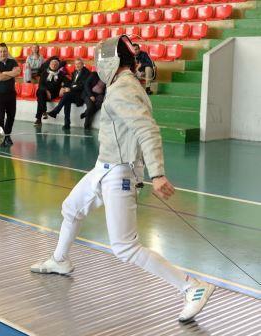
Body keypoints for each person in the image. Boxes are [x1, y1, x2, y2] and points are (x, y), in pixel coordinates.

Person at [30, 36, 215, 323]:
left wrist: (158, 173)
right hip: (104, 168)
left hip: (120, 172)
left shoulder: (123, 89)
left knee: (125, 247)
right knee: (71, 208)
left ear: (113, 62)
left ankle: (192, 287)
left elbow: (147, 130)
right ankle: (60, 260)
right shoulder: (123, 85)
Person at [0, 43, 20, 147]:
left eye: (4, 51)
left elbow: (18, 72)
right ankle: (0, 138)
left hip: (11, 94)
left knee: (11, 116)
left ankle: (7, 135)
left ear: (7, 52)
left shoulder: (13, 61)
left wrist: (4, 73)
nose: (3, 53)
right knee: (0, 117)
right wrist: (10, 73)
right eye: (1, 51)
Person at [47, 58, 90, 130]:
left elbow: (82, 86)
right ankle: (66, 123)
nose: (77, 66)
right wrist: (63, 87)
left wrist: (70, 89)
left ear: (83, 64)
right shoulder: (75, 72)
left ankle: (56, 111)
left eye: (79, 64)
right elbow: (71, 84)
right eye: (76, 64)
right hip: (73, 94)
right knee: (67, 99)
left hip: (80, 96)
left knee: (66, 95)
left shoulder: (86, 73)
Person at [34, 58, 69, 126]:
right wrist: (46, 91)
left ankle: (39, 118)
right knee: (40, 92)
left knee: (40, 98)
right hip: (45, 92)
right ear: (49, 65)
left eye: (56, 65)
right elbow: (41, 85)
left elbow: (68, 82)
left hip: (54, 93)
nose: (54, 65)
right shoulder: (44, 73)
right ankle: (43, 112)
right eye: (52, 64)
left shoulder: (61, 74)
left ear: (58, 66)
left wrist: (63, 87)